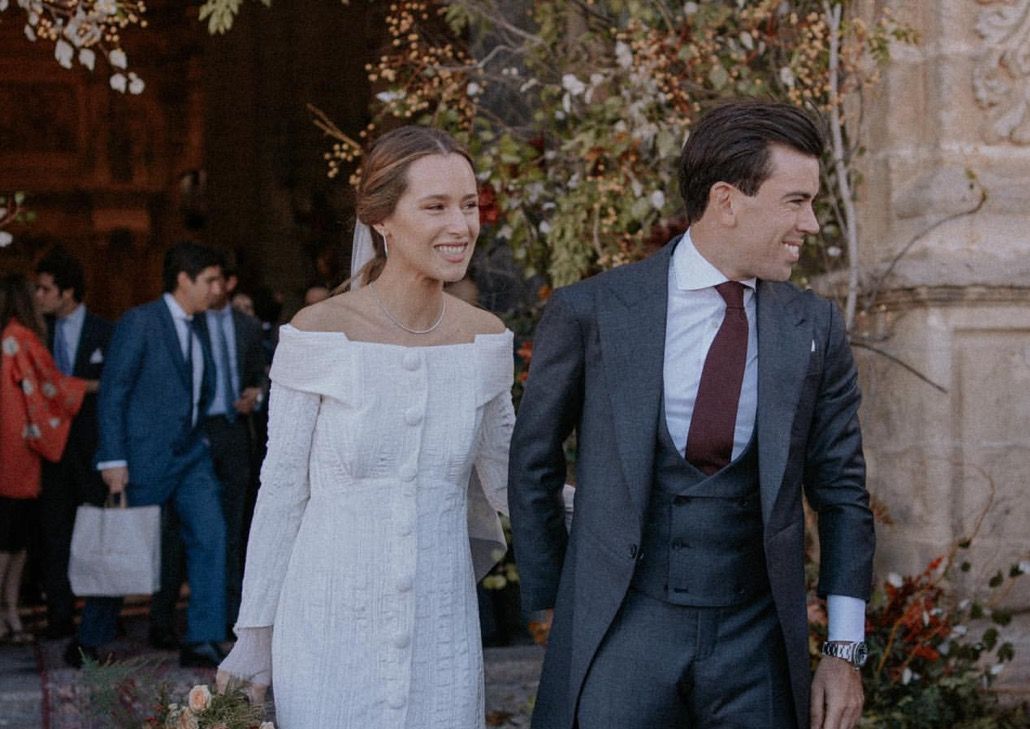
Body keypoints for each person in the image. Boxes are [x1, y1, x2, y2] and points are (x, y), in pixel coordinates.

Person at [509, 100, 875, 729]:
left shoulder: (814, 328)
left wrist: (844, 651)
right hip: (621, 635)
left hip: (757, 647)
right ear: (727, 200)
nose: (810, 224)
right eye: (795, 201)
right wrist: (554, 605)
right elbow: (533, 461)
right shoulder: (593, 311)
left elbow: (843, 492)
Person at [216, 125, 513, 729]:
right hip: (326, 627)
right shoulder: (317, 333)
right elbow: (281, 493)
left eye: (467, 204)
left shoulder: (486, 340)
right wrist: (255, 635)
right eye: (435, 207)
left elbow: (513, 484)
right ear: (381, 218)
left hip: (441, 629)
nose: (460, 226)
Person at [66, 242, 229, 669]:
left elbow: (200, 388)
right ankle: (90, 638)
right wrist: (112, 458)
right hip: (142, 458)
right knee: (122, 545)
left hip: (192, 455)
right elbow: (114, 392)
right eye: (209, 280)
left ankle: (203, 639)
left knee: (211, 537)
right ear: (183, 279)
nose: (216, 289)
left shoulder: (201, 325)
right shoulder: (140, 322)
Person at [151, 259, 267, 643]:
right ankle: (164, 620)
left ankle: (228, 620)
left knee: (229, 530)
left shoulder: (248, 326)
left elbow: (264, 375)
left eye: (221, 280)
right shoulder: (186, 321)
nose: (216, 289)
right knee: (172, 534)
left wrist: (258, 396)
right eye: (209, 280)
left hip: (234, 434)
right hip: (193, 436)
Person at [0, 273, 86, 643]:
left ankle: (10, 614)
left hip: (14, 448)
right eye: (34, 290)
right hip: (16, 452)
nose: (39, 296)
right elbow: (48, 385)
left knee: (15, 543)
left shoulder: (12, 337)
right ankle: (5, 615)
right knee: (8, 542)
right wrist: (88, 385)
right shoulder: (19, 338)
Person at [34, 248, 113, 638]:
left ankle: (99, 620)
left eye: (45, 289)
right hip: (51, 451)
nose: (39, 296)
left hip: (92, 448)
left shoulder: (104, 331)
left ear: (68, 292)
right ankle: (58, 616)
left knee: (99, 532)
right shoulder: (35, 334)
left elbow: (114, 389)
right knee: (54, 534)